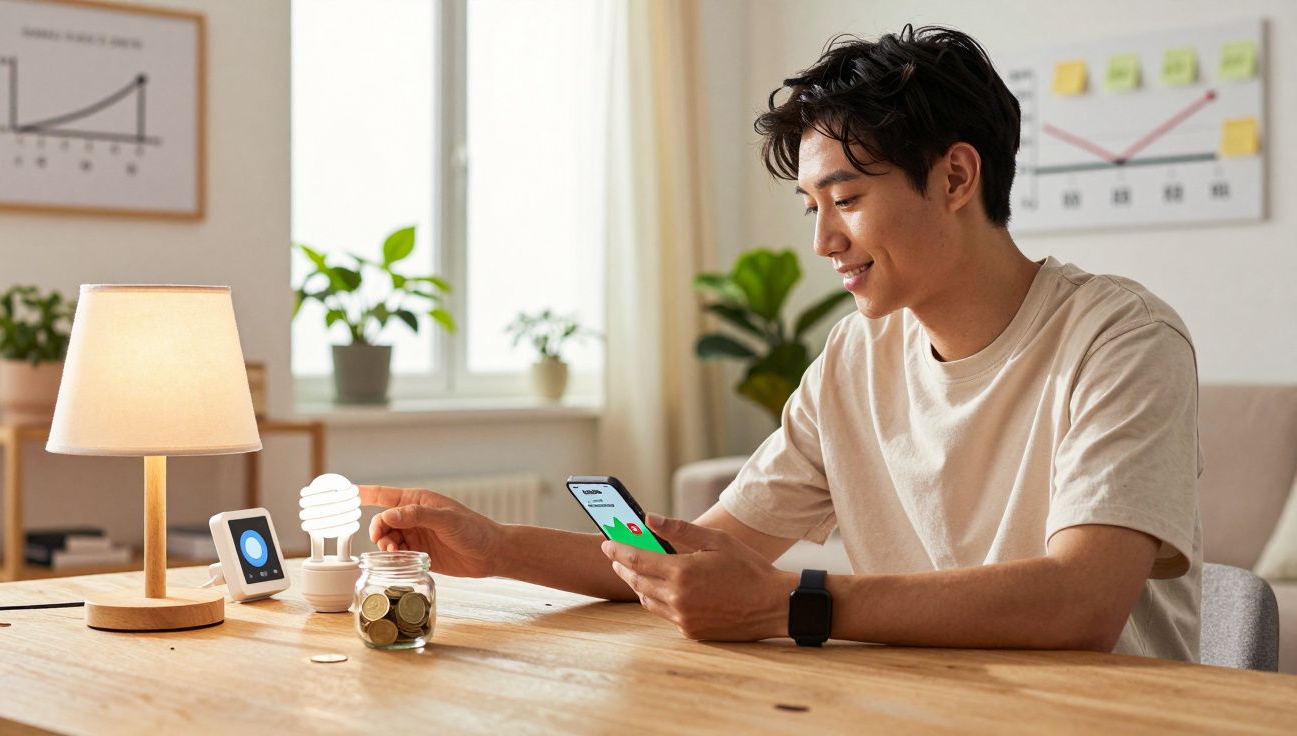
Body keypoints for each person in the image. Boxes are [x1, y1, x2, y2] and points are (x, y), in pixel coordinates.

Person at [361, 25, 1201, 661]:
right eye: (811, 208)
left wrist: (787, 603)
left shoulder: (1121, 338)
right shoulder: (855, 359)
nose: (824, 242)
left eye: (847, 200)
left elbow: (1081, 601)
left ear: (955, 177)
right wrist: (498, 546)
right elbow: (699, 551)